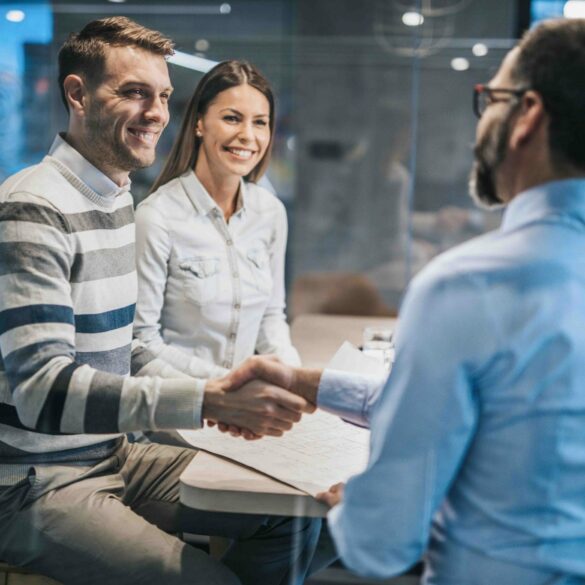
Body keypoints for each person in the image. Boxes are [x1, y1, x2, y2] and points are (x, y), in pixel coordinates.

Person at [228, 18, 585, 584]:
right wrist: (309, 383)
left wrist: (356, 507)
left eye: (490, 99)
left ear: (528, 116)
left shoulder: (467, 287)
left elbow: (380, 544)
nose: (480, 124)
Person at [0, 16, 323, 585]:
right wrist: (207, 400)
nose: (156, 113)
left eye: (164, 96)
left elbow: (130, 350)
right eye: (133, 92)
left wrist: (243, 392)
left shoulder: (114, 196)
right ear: (76, 95)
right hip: (35, 484)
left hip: (113, 455)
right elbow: (41, 392)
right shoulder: (34, 207)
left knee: (292, 516)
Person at [133, 60, 300, 382]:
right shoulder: (156, 217)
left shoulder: (270, 212)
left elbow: (270, 317)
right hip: (176, 412)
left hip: (240, 412)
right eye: (231, 118)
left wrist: (293, 375)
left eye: (260, 122)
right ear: (199, 124)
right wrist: (223, 389)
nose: (247, 136)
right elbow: (142, 342)